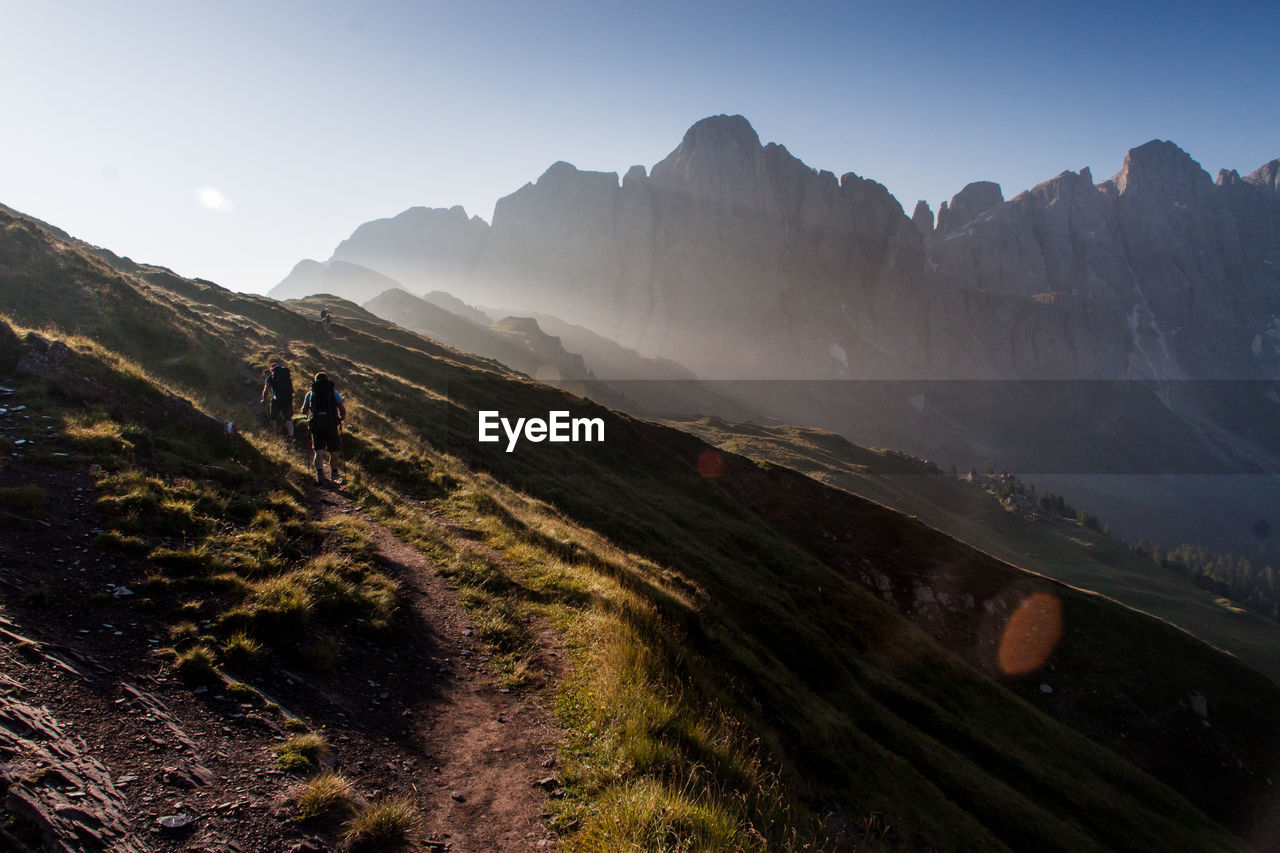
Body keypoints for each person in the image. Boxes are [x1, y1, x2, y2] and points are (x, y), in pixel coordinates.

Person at [301, 372, 346, 485]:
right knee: (333, 451)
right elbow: (342, 408)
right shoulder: (333, 392)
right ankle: (334, 475)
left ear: (315, 381)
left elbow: (304, 410)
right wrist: (341, 418)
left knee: (318, 451)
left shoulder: (310, 394)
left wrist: (308, 413)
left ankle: (320, 475)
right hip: (331, 424)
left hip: (316, 425)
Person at [260, 361, 294, 438]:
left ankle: (274, 434)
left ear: (271, 370)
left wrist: (263, 399)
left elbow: (266, 390)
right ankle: (291, 435)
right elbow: (291, 389)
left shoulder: (270, 378)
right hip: (288, 399)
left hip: (276, 399)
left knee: (273, 417)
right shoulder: (286, 375)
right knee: (288, 419)